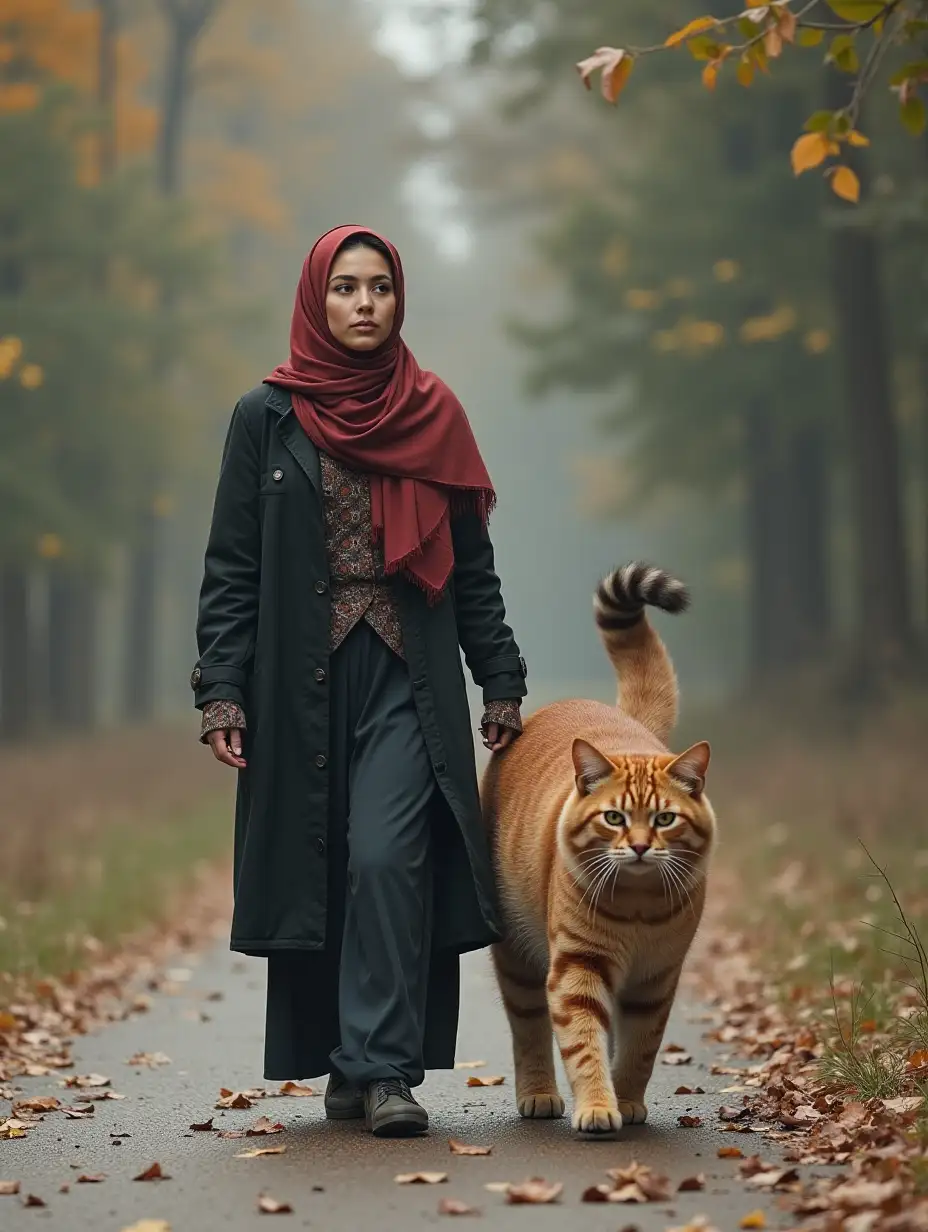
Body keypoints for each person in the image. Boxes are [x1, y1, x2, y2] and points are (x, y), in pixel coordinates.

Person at [192, 225, 526, 1138]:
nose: (365, 303)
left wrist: (498, 679)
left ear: (398, 298)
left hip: (406, 671)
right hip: (294, 679)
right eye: (345, 287)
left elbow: (472, 568)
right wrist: (221, 688)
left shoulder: (434, 412)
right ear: (317, 299)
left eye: (379, 286)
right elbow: (231, 567)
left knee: (388, 856)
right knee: (320, 862)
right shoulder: (264, 416)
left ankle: (384, 1071)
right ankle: (343, 1059)